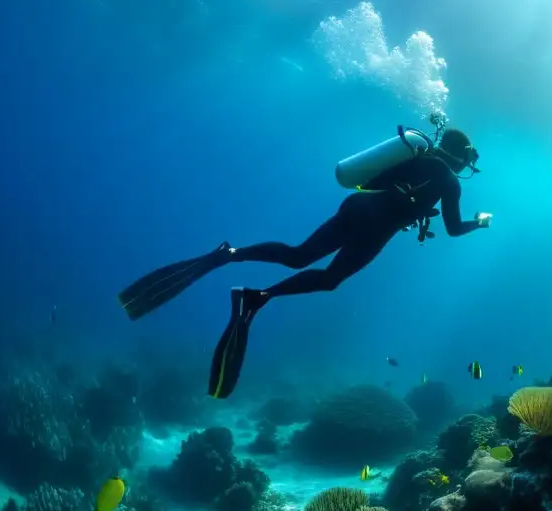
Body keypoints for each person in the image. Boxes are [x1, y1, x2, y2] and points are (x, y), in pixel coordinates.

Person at [117, 127, 490, 399]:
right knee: (329, 279)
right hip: (377, 225)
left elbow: (373, 181)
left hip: (356, 207)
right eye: (469, 158)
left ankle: (229, 254)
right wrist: (480, 222)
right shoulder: (450, 183)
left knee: (298, 255)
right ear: (461, 154)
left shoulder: (415, 155)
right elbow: (454, 230)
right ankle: (258, 296)